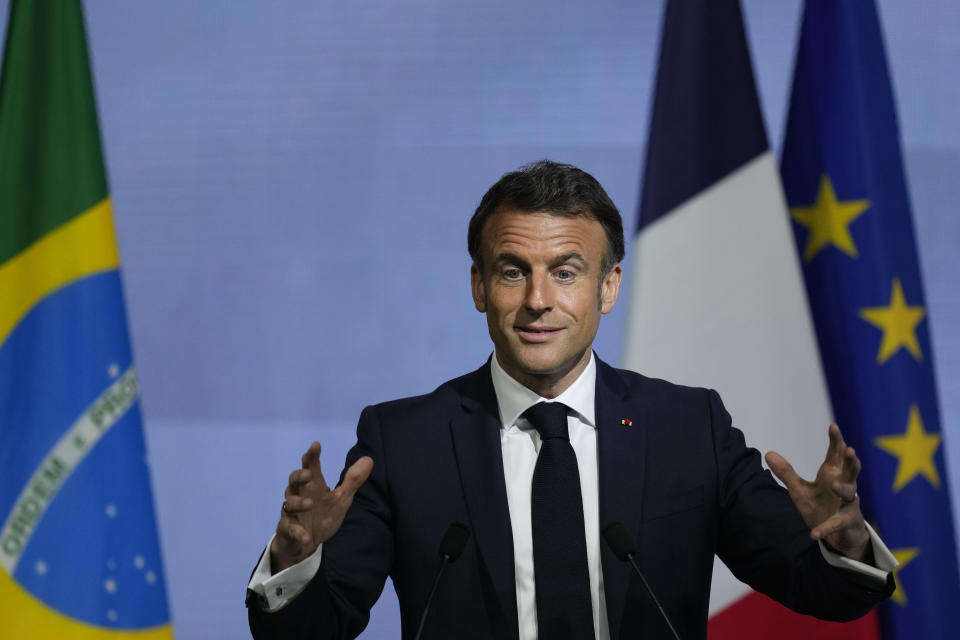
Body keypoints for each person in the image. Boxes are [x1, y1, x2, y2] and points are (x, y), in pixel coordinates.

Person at [246, 161, 895, 639]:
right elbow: (311, 631)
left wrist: (844, 545)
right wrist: (296, 563)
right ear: (479, 285)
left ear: (607, 287)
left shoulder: (687, 429)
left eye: (565, 272)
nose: (537, 300)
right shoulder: (405, 442)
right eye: (511, 271)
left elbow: (824, 593)